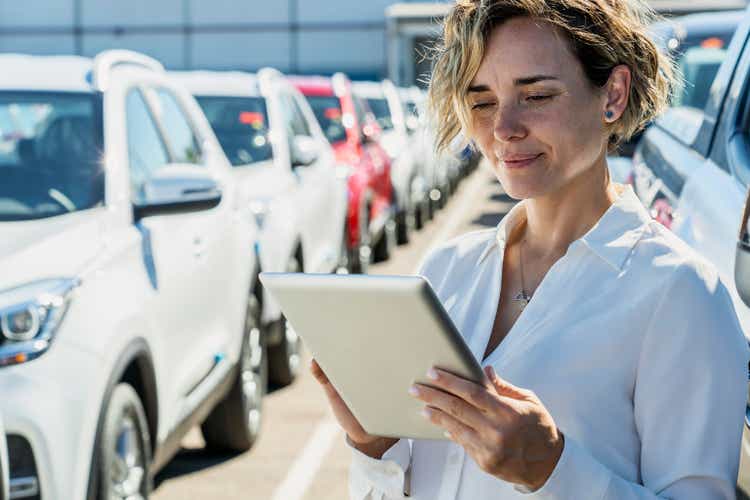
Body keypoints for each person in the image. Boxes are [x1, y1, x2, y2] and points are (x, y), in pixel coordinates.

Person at [311, 0, 750, 498]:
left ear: (613, 95)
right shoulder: (447, 271)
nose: (503, 129)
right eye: (481, 102)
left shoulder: (682, 293)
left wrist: (553, 470)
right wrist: (373, 444)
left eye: (536, 95)